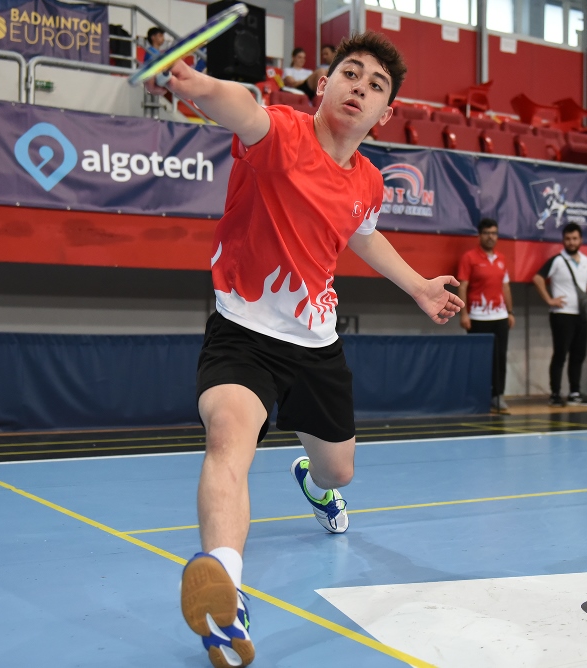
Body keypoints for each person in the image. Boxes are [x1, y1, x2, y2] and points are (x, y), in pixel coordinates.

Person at [146, 32, 463, 667]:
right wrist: (199, 86)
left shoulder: (368, 181)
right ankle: (226, 590)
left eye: (376, 85)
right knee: (227, 440)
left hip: (317, 347)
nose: (360, 88)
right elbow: (242, 108)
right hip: (243, 335)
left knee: (338, 472)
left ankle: (314, 486)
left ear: (385, 113)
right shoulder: (281, 134)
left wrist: (419, 287)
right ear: (324, 85)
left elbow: (363, 235)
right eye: (351, 73)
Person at [531, 223, 587, 408]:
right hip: (562, 314)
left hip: (581, 315)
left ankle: (575, 393)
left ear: (581, 240)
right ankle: (555, 394)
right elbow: (537, 278)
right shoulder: (557, 261)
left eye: (575, 238)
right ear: (563, 240)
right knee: (560, 354)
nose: (571, 242)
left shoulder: (586, 261)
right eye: (568, 239)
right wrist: (549, 300)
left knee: (579, 354)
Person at [457, 218, 514, 413]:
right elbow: (462, 287)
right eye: (487, 233)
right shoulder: (469, 258)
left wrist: (510, 312)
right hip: (477, 318)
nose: (491, 237)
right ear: (480, 235)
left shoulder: (501, 258)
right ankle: (477, 398)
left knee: (500, 358)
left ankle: (498, 397)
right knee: (478, 360)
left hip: (500, 317)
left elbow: (505, 287)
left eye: (494, 233)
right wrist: (464, 314)